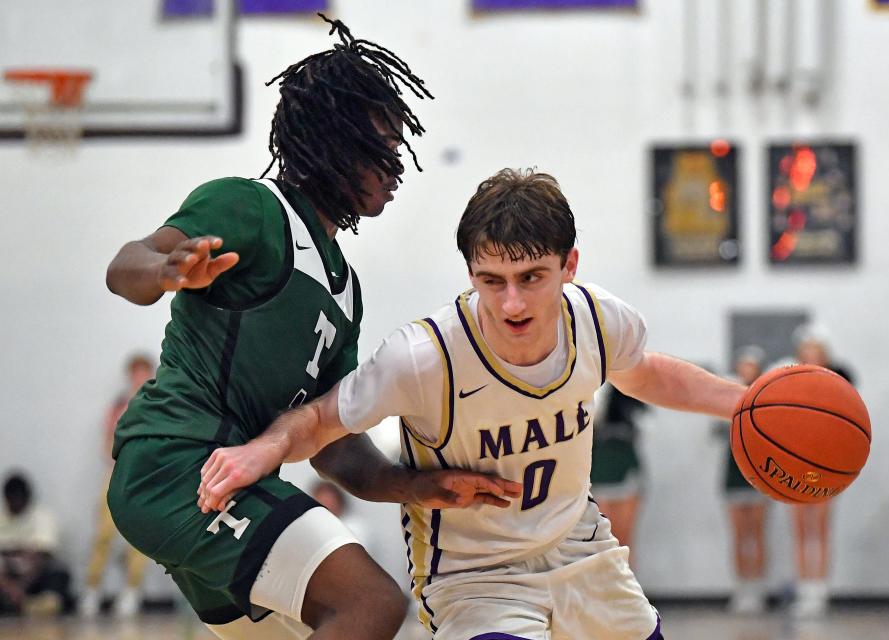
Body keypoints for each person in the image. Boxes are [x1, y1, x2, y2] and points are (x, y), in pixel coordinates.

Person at [198, 168, 748, 640]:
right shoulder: (424, 356)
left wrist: (746, 403)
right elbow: (322, 417)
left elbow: (645, 373)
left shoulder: (600, 320)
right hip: (474, 574)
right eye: (493, 280)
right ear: (470, 274)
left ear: (569, 264)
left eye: (531, 277)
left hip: (580, 548)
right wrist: (261, 452)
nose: (512, 301)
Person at [104, 15, 519, 640]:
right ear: (329, 141)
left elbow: (332, 446)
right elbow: (123, 267)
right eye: (380, 145)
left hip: (230, 482)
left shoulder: (344, 290)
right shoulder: (249, 208)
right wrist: (167, 268)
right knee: (373, 605)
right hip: (173, 463)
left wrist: (418, 484)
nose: (395, 164)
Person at [785, 324, 855, 618]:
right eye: (806, 350)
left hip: (825, 462)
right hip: (796, 461)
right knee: (800, 527)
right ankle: (804, 588)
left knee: (822, 527)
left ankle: (820, 589)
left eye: (816, 350)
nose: (811, 354)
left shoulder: (837, 384)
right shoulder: (788, 383)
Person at [79, 353, 154, 619]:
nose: (140, 377)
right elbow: (107, 442)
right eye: (136, 372)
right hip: (117, 472)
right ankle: (92, 588)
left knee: (139, 537)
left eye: (144, 372)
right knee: (103, 533)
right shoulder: (119, 405)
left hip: (144, 476)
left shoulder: (158, 403)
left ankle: (132, 590)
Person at [717, 346, 769, 614]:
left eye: (751, 366)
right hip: (733, 469)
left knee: (757, 533)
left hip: (759, 470)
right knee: (738, 534)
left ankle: (757, 589)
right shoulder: (728, 394)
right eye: (743, 365)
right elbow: (714, 428)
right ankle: (740, 588)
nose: (746, 370)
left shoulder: (768, 397)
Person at [590, 383, 651, 568]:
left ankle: (626, 592)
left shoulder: (631, 385)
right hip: (598, 470)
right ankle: (600, 593)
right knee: (600, 541)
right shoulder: (587, 382)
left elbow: (647, 425)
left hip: (625, 468)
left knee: (624, 540)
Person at [0, 473, 73, 616]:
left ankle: (33, 604)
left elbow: (42, 559)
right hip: (7, 580)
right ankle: (25, 605)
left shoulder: (43, 517)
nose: (15, 504)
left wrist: (21, 587)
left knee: (60, 575)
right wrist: (10, 587)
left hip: (35, 578)